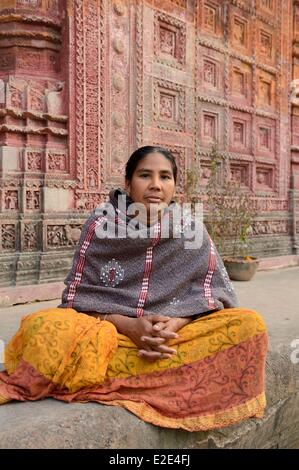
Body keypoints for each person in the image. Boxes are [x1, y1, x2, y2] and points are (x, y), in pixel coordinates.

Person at [0, 146, 268, 432]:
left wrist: (174, 323)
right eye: (145, 175)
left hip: (172, 338)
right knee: (45, 327)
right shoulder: (101, 224)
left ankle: (109, 372)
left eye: (165, 177)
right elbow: (77, 299)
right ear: (128, 183)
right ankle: (159, 376)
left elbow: (213, 295)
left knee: (248, 325)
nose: (156, 184)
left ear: (174, 185)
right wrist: (130, 327)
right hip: (115, 335)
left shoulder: (190, 229)